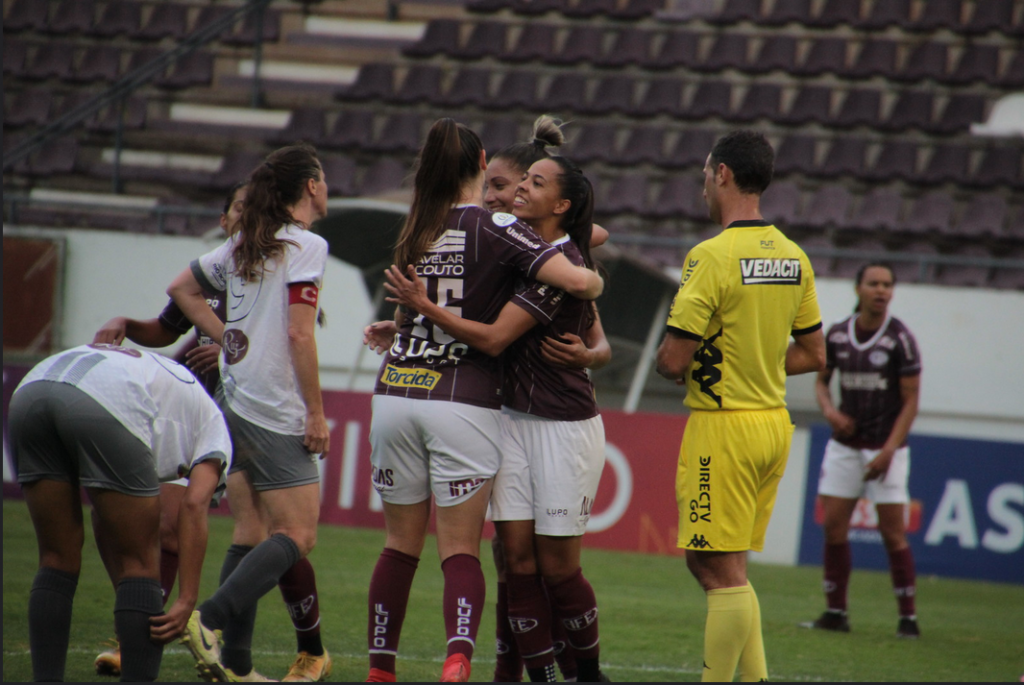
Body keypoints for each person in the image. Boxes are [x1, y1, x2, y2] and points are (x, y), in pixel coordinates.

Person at [363, 118, 604, 684]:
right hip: (465, 398)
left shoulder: (416, 227)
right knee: (462, 549)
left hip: (394, 392)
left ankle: (380, 669)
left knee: (399, 545)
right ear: (480, 163)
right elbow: (574, 275)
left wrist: (404, 324)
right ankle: (459, 659)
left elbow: (413, 309)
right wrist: (592, 283)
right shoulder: (495, 225)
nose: (511, 194)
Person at [92, 183, 329, 681]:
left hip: (244, 408)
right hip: (206, 411)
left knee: (267, 532)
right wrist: (125, 323)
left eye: (252, 206)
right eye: (237, 208)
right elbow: (166, 326)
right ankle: (172, 636)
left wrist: (229, 348)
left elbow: (284, 335)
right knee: (206, 529)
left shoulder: (271, 270)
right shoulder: (220, 271)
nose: (246, 215)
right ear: (225, 221)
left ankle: (287, 650)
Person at [655, 130, 825, 682]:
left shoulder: (711, 256)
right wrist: (752, 363)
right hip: (772, 423)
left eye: (705, 174)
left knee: (713, 567)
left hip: (724, 427)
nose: (703, 185)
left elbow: (673, 361)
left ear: (723, 174)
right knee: (726, 566)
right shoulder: (793, 256)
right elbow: (814, 352)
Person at [167, 143, 333, 683]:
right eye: (323, 179)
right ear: (310, 186)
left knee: (251, 531)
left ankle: (236, 666)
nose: (327, 187)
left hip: (232, 399)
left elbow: (182, 288)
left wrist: (228, 341)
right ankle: (208, 619)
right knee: (298, 534)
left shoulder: (245, 243)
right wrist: (315, 412)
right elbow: (298, 332)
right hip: (273, 404)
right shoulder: (306, 244)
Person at [9, 343, 232, 682]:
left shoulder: (175, 402)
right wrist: (187, 598)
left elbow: (105, 514)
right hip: (107, 398)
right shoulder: (217, 433)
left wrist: (126, 594)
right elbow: (193, 505)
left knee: (56, 559)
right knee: (141, 564)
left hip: (32, 388)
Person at [801, 262, 922, 638]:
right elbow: (821, 382)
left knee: (892, 535)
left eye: (887, 284)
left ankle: (908, 618)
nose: (881, 290)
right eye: (874, 283)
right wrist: (831, 412)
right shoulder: (837, 335)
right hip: (845, 446)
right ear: (858, 289)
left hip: (887, 448)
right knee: (834, 529)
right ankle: (835, 613)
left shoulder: (900, 339)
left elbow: (911, 401)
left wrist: (888, 450)